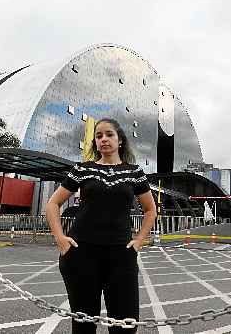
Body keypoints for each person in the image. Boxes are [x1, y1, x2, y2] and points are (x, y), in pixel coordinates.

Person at [46, 118, 157, 333]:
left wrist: (139, 240)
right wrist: (60, 238)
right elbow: (53, 203)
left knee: (125, 324)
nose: (104, 139)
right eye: (99, 136)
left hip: (121, 255)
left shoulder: (134, 172)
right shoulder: (82, 169)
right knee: (83, 324)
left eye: (109, 134)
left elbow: (150, 210)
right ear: (95, 142)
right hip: (80, 254)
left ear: (120, 140)